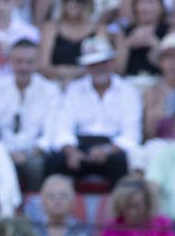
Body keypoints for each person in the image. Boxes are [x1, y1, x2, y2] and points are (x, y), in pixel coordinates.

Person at [47, 35, 141, 185]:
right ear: (86, 67)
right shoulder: (74, 90)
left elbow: (131, 134)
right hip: (79, 145)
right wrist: (71, 151)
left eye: (103, 63)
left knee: (121, 162)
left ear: (112, 63)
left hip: (112, 147)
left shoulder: (128, 91)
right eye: (92, 64)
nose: (99, 68)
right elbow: (62, 127)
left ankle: (117, 207)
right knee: (55, 161)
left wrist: (107, 150)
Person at [0, 38, 57, 191]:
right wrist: (6, 153)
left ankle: (35, 209)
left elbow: (49, 134)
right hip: (2, 151)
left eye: (29, 62)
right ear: (9, 62)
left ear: (37, 62)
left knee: (36, 165)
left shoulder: (51, 91)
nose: (24, 67)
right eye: (19, 61)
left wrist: (30, 153)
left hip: (34, 153)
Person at [95, 177, 175, 236]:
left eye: (137, 206)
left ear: (147, 204)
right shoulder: (113, 225)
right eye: (128, 206)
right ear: (119, 205)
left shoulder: (162, 224)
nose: (132, 212)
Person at [38, 0, 99, 85]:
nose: (72, 3)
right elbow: (43, 66)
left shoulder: (98, 29)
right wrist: (78, 71)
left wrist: (64, 71)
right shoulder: (51, 28)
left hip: (88, 87)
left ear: (88, 1)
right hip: (55, 85)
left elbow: (101, 65)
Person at [30, 173, 94, 236]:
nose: (57, 200)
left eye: (63, 196)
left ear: (73, 201)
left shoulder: (82, 230)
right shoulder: (31, 230)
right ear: (42, 201)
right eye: (51, 196)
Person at [114, 0, 169, 80]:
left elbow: (170, 70)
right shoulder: (124, 32)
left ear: (161, 7)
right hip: (129, 83)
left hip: (158, 83)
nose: (146, 7)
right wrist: (127, 45)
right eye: (142, 2)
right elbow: (117, 71)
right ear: (135, 6)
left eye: (151, 2)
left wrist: (155, 45)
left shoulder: (168, 31)